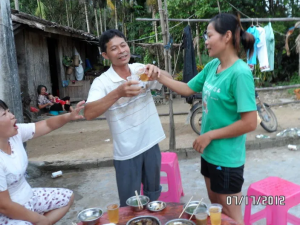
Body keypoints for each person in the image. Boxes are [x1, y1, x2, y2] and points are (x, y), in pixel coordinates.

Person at [150, 13, 257, 224]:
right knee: (215, 203)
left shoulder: (240, 73)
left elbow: (250, 122)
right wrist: (158, 76)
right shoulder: (212, 67)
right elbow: (188, 88)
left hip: (227, 158)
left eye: (209, 36)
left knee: (231, 212)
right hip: (209, 153)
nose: (206, 41)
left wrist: (209, 135)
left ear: (226, 36)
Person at [84, 29, 171, 207]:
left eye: (123, 45)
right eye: (114, 48)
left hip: (151, 143)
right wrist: (118, 93)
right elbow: (89, 113)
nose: (121, 51)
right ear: (105, 55)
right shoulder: (102, 82)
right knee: (130, 204)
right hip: (127, 152)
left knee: (153, 196)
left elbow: (171, 81)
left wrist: (158, 72)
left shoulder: (140, 70)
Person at [0, 99, 85, 224]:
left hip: (30, 197)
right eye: (4, 114)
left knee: (67, 197)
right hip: (10, 213)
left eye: (9, 111)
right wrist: (40, 219)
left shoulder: (15, 134)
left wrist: (69, 116)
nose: (12, 115)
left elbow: (47, 125)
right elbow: (5, 206)